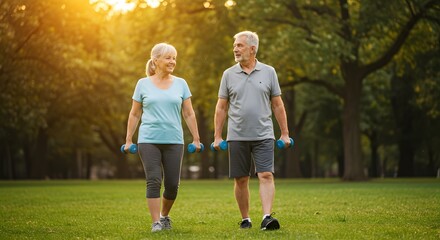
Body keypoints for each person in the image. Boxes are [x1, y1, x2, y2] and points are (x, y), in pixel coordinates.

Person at [213, 31, 291, 231]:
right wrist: (217, 136)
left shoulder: (269, 72)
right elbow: (221, 107)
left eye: (239, 45)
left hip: (264, 134)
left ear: (252, 48)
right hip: (237, 135)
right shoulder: (228, 74)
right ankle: (245, 219)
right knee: (241, 178)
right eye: (235, 46)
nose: (235, 49)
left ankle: (266, 217)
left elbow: (277, 105)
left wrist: (284, 133)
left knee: (266, 174)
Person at [123, 43, 202, 232]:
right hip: (148, 139)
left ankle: (164, 216)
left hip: (174, 140)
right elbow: (134, 114)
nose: (172, 61)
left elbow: (189, 113)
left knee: (173, 185)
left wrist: (196, 138)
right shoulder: (142, 84)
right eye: (168, 58)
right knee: (154, 180)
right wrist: (128, 139)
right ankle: (155, 222)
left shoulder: (181, 83)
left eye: (174, 58)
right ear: (156, 60)